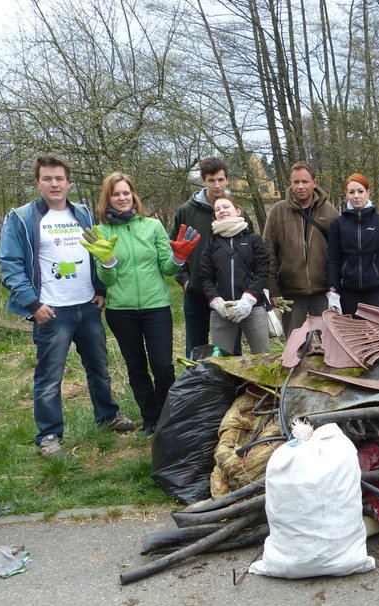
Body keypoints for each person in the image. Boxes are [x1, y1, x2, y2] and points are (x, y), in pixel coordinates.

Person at [0, 154, 135, 458]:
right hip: (51, 312)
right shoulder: (22, 218)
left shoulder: (83, 214)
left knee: (99, 368)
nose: (54, 184)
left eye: (59, 178)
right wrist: (32, 304)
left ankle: (108, 416)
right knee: (49, 377)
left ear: (68, 182)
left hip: (87, 308)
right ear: (38, 182)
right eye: (47, 178)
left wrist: (100, 290)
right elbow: (10, 264)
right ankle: (49, 435)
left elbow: (97, 253)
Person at [90, 172, 197, 435]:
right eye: (116, 194)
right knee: (136, 366)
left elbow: (167, 268)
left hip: (155, 306)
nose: (122, 198)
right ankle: (150, 419)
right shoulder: (101, 232)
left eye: (126, 192)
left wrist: (179, 257)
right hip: (121, 310)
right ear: (108, 199)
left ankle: (168, 417)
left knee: (162, 365)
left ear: (133, 195)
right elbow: (108, 278)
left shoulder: (152, 226)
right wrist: (106, 262)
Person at [172, 157, 241, 357]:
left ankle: (232, 388)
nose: (217, 185)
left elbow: (250, 248)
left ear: (227, 179)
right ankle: (197, 386)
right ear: (203, 181)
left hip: (229, 295)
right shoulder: (186, 211)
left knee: (231, 352)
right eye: (211, 180)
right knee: (196, 349)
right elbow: (175, 249)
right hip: (197, 294)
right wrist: (185, 281)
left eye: (221, 179)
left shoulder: (234, 209)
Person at [263, 161, 339, 335]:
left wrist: (337, 287)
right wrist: (273, 289)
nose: (300, 186)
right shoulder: (278, 212)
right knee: (293, 344)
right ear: (290, 183)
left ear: (314, 182)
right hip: (290, 293)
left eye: (305, 182)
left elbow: (340, 251)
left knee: (330, 342)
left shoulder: (329, 212)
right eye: (296, 182)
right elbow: (268, 253)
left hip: (323, 291)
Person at [200, 195, 270, 355]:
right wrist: (216, 302)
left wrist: (248, 299)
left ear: (238, 211)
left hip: (252, 308)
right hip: (221, 312)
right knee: (221, 364)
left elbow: (262, 271)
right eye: (217, 209)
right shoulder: (211, 244)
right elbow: (205, 277)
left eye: (226, 207)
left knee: (263, 360)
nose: (221, 211)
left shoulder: (253, 239)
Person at [326, 173, 379, 315]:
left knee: (376, 336)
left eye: (360, 191)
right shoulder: (338, 224)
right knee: (351, 335)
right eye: (351, 192)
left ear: (368, 192)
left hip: (376, 291)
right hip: (348, 292)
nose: (356, 196)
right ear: (346, 194)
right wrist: (333, 292)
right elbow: (333, 260)